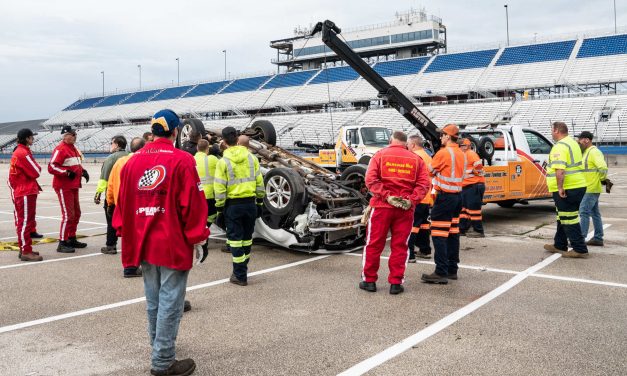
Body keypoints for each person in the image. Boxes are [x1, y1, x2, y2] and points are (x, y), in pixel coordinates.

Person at [112, 109, 209, 375]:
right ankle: (163, 359)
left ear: (152, 131)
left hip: (142, 240)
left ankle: (158, 348)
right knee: (171, 300)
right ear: (176, 132)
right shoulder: (182, 160)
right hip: (171, 241)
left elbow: (122, 204)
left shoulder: (131, 162)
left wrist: (125, 232)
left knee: (153, 298)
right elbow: (193, 204)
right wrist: (199, 238)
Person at [360, 131, 430, 295]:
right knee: (400, 246)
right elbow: (424, 185)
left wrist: (386, 196)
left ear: (391, 140)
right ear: (406, 143)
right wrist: (411, 200)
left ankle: (369, 281)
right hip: (405, 209)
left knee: (373, 244)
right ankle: (396, 283)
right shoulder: (416, 159)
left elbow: (370, 180)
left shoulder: (379, 155)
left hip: (382, 207)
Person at [214, 127, 265, 286]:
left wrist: (220, 208)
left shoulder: (223, 162)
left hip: (233, 206)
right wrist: (259, 203)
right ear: (237, 140)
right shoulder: (252, 159)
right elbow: (259, 184)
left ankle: (240, 274)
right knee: (247, 239)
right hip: (250, 204)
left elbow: (220, 188)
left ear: (223, 141)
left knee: (235, 241)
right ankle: (242, 270)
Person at [422, 124, 466, 284]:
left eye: (442, 135)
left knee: (439, 234)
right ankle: (452, 270)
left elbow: (430, 172)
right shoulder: (462, 153)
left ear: (448, 136)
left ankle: (440, 271)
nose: (440, 137)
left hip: (445, 198)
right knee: (453, 233)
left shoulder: (443, 153)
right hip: (457, 197)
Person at [544, 121, 588, 258]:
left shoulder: (560, 146)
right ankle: (559, 244)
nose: (551, 133)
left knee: (569, 218)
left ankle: (579, 249)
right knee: (562, 216)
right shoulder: (573, 143)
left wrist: (560, 187)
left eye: (552, 130)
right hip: (577, 185)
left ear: (557, 130)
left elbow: (560, 170)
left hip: (568, 187)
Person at [106, 137, 145, 278]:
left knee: (127, 237)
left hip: (121, 203)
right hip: (138, 204)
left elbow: (110, 184)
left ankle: (130, 266)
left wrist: (110, 203)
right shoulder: (143, 162)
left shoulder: (119, 162)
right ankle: (139, 265)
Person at [48, 126, 89, 253]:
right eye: (71, 134)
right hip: (64, 186)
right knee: (68, 215)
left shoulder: (73, 149)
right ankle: (62, 241)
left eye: (75, 134)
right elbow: (51, 167)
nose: (74, 136)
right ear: (64, 136)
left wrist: (83, 171)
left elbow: (75, 164)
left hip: (73, 185)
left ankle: (71, 237)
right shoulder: (60, 149)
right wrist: (66, 173)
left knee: (76, 213)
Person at [8, 129, 43, 262]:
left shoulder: (19, 151)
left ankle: (25, 248)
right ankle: (26, 251)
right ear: (27, 138)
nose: (33, 139)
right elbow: (36, 171)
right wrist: (37, 167)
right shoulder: (23, 153)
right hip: (26, 191)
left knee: (25, 222)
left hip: (23, 191)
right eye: (31, 137)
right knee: (25, 223)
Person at [95, 135, 129, 254]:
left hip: (114, 196)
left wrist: (98, 194)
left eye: (111, 143)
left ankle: (111, 246)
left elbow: (104, 179)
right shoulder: (131, 155)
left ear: (117, 144)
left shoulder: (111, 158)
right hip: (129, 196)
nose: (110, 146)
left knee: (111, 221)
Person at [577, 131, 608, 247]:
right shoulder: (586, 152)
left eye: (580, 139)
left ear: (586, 140)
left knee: (584, 211)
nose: (579, 142)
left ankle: (580, 239)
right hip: (588, 187)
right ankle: (598, 238)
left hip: (591, 188)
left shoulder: (594, 152)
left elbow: (603, 168)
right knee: (595, 213)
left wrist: (601, 179)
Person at [406, 134, 433, 261]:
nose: (406, 146)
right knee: (423, 225)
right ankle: (425, 249)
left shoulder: (415, 157)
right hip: (426, 197)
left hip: (418, 197)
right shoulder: (428, 156)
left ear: (413, 145)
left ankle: (409, 254)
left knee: (412, 226)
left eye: (407, 144)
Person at [459, 138, 486, 237]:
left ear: (466, 146)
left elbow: (480, 170)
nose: (461, 147)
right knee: (464, 210)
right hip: (467, 186)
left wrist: (470, 171)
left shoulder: (471, 154)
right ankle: (462, 229)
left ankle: (478, 231)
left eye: (462, 146)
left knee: (474, 210)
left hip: (474, 185)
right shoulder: (463, 155)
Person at [195, 139, 219, 226]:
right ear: (207, 149)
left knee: (197, 217)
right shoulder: (213, 159)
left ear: (197, 148)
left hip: (195, 195)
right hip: (209, 195)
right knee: (211, 215)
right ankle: (206, 229)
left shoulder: (191, 159)